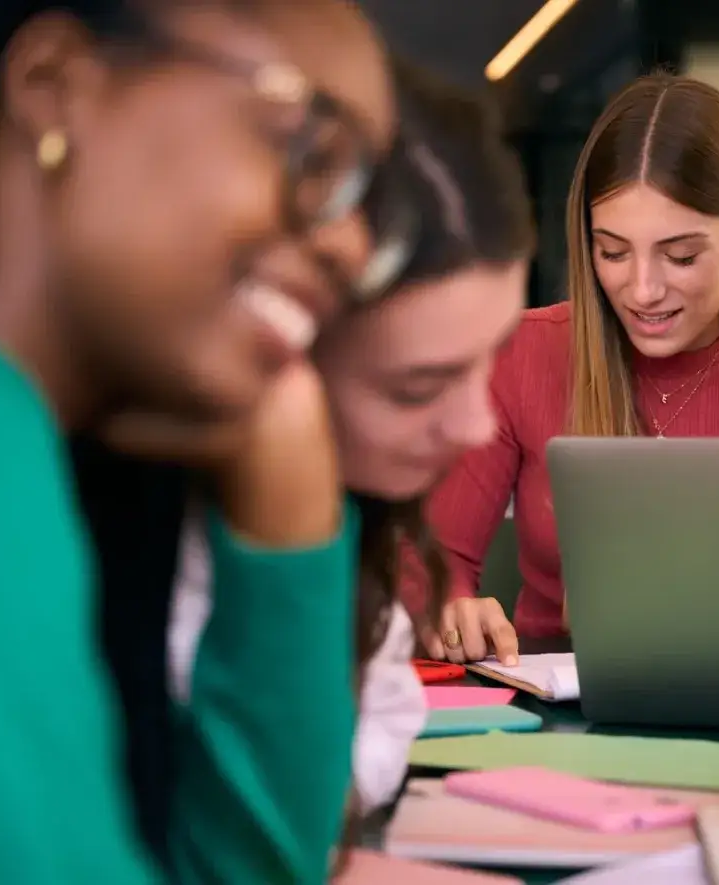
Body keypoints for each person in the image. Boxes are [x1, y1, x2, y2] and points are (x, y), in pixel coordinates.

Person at [0, 0, 397, 881]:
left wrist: (286, 504)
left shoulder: (36, 466)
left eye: (367, 201)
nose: (351, 245)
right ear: (56, 86)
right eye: (309, 149)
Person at [167, 63, 535, 820]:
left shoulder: (356, 520)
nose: (474, 426)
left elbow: (380, 724)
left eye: (489, 359)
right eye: (416, 387)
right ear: (278, 353)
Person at [401, 74, 719, 663]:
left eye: (680, 255)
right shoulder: (524, 352)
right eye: (612, 251)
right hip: (561, 708)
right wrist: (446, 606)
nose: (642, 289)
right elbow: (426, 565)